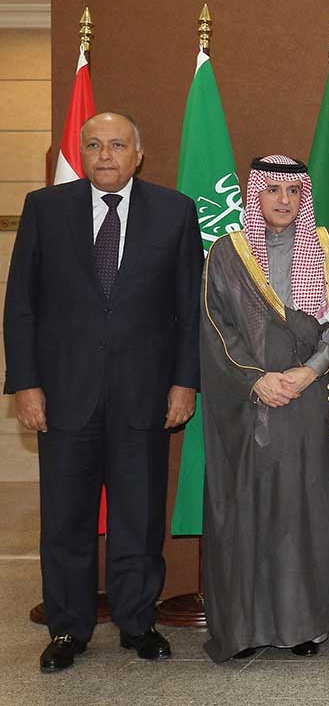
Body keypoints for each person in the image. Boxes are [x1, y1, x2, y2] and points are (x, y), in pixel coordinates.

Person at [4, 112, 202, 672]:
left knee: (139, 516)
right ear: (82, 153)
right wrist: (25, 383)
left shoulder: (174, 211)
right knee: (65, 518)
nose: (105, 155)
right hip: (64, 393)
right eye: (94, 145)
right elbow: (21, 304)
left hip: (146, 393)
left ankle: (138, 623)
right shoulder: (47, 210)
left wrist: (185, 381)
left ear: (139, 154)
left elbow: (189, 308)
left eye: (117, 145)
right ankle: (68, 628)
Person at [199, 155, 329, 662]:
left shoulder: (327, 247)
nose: (284, 201)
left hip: (311, 402)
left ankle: (304, 625)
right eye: (273, 191)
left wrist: (310, 371)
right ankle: (244, 627)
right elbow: (214, 324)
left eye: (293, 191)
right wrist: (257, 379)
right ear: (257, 195)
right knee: (246, 513)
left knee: (304, 513)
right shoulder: (228, 253)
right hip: (247, 406)